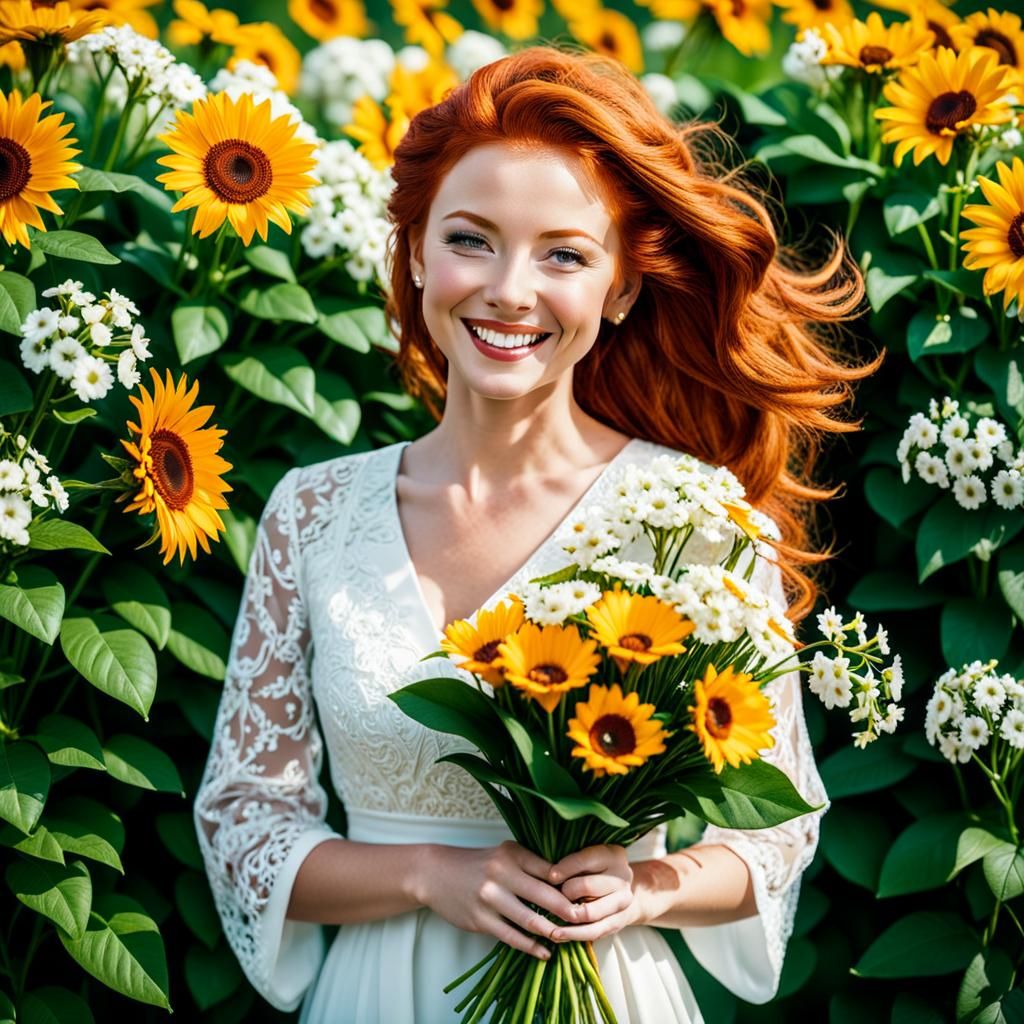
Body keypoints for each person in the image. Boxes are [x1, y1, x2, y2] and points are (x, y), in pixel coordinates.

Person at [194, 44, 881, 1023]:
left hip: (605, 988)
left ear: (620, 289)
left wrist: (649, 887)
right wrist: (431, 873)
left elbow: (778, 827)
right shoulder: (310, 510)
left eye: (562, 253)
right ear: (417, 251)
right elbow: (244, 818)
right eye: (471, 239)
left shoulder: (694, 516)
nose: (510, 289)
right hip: (376, 995)